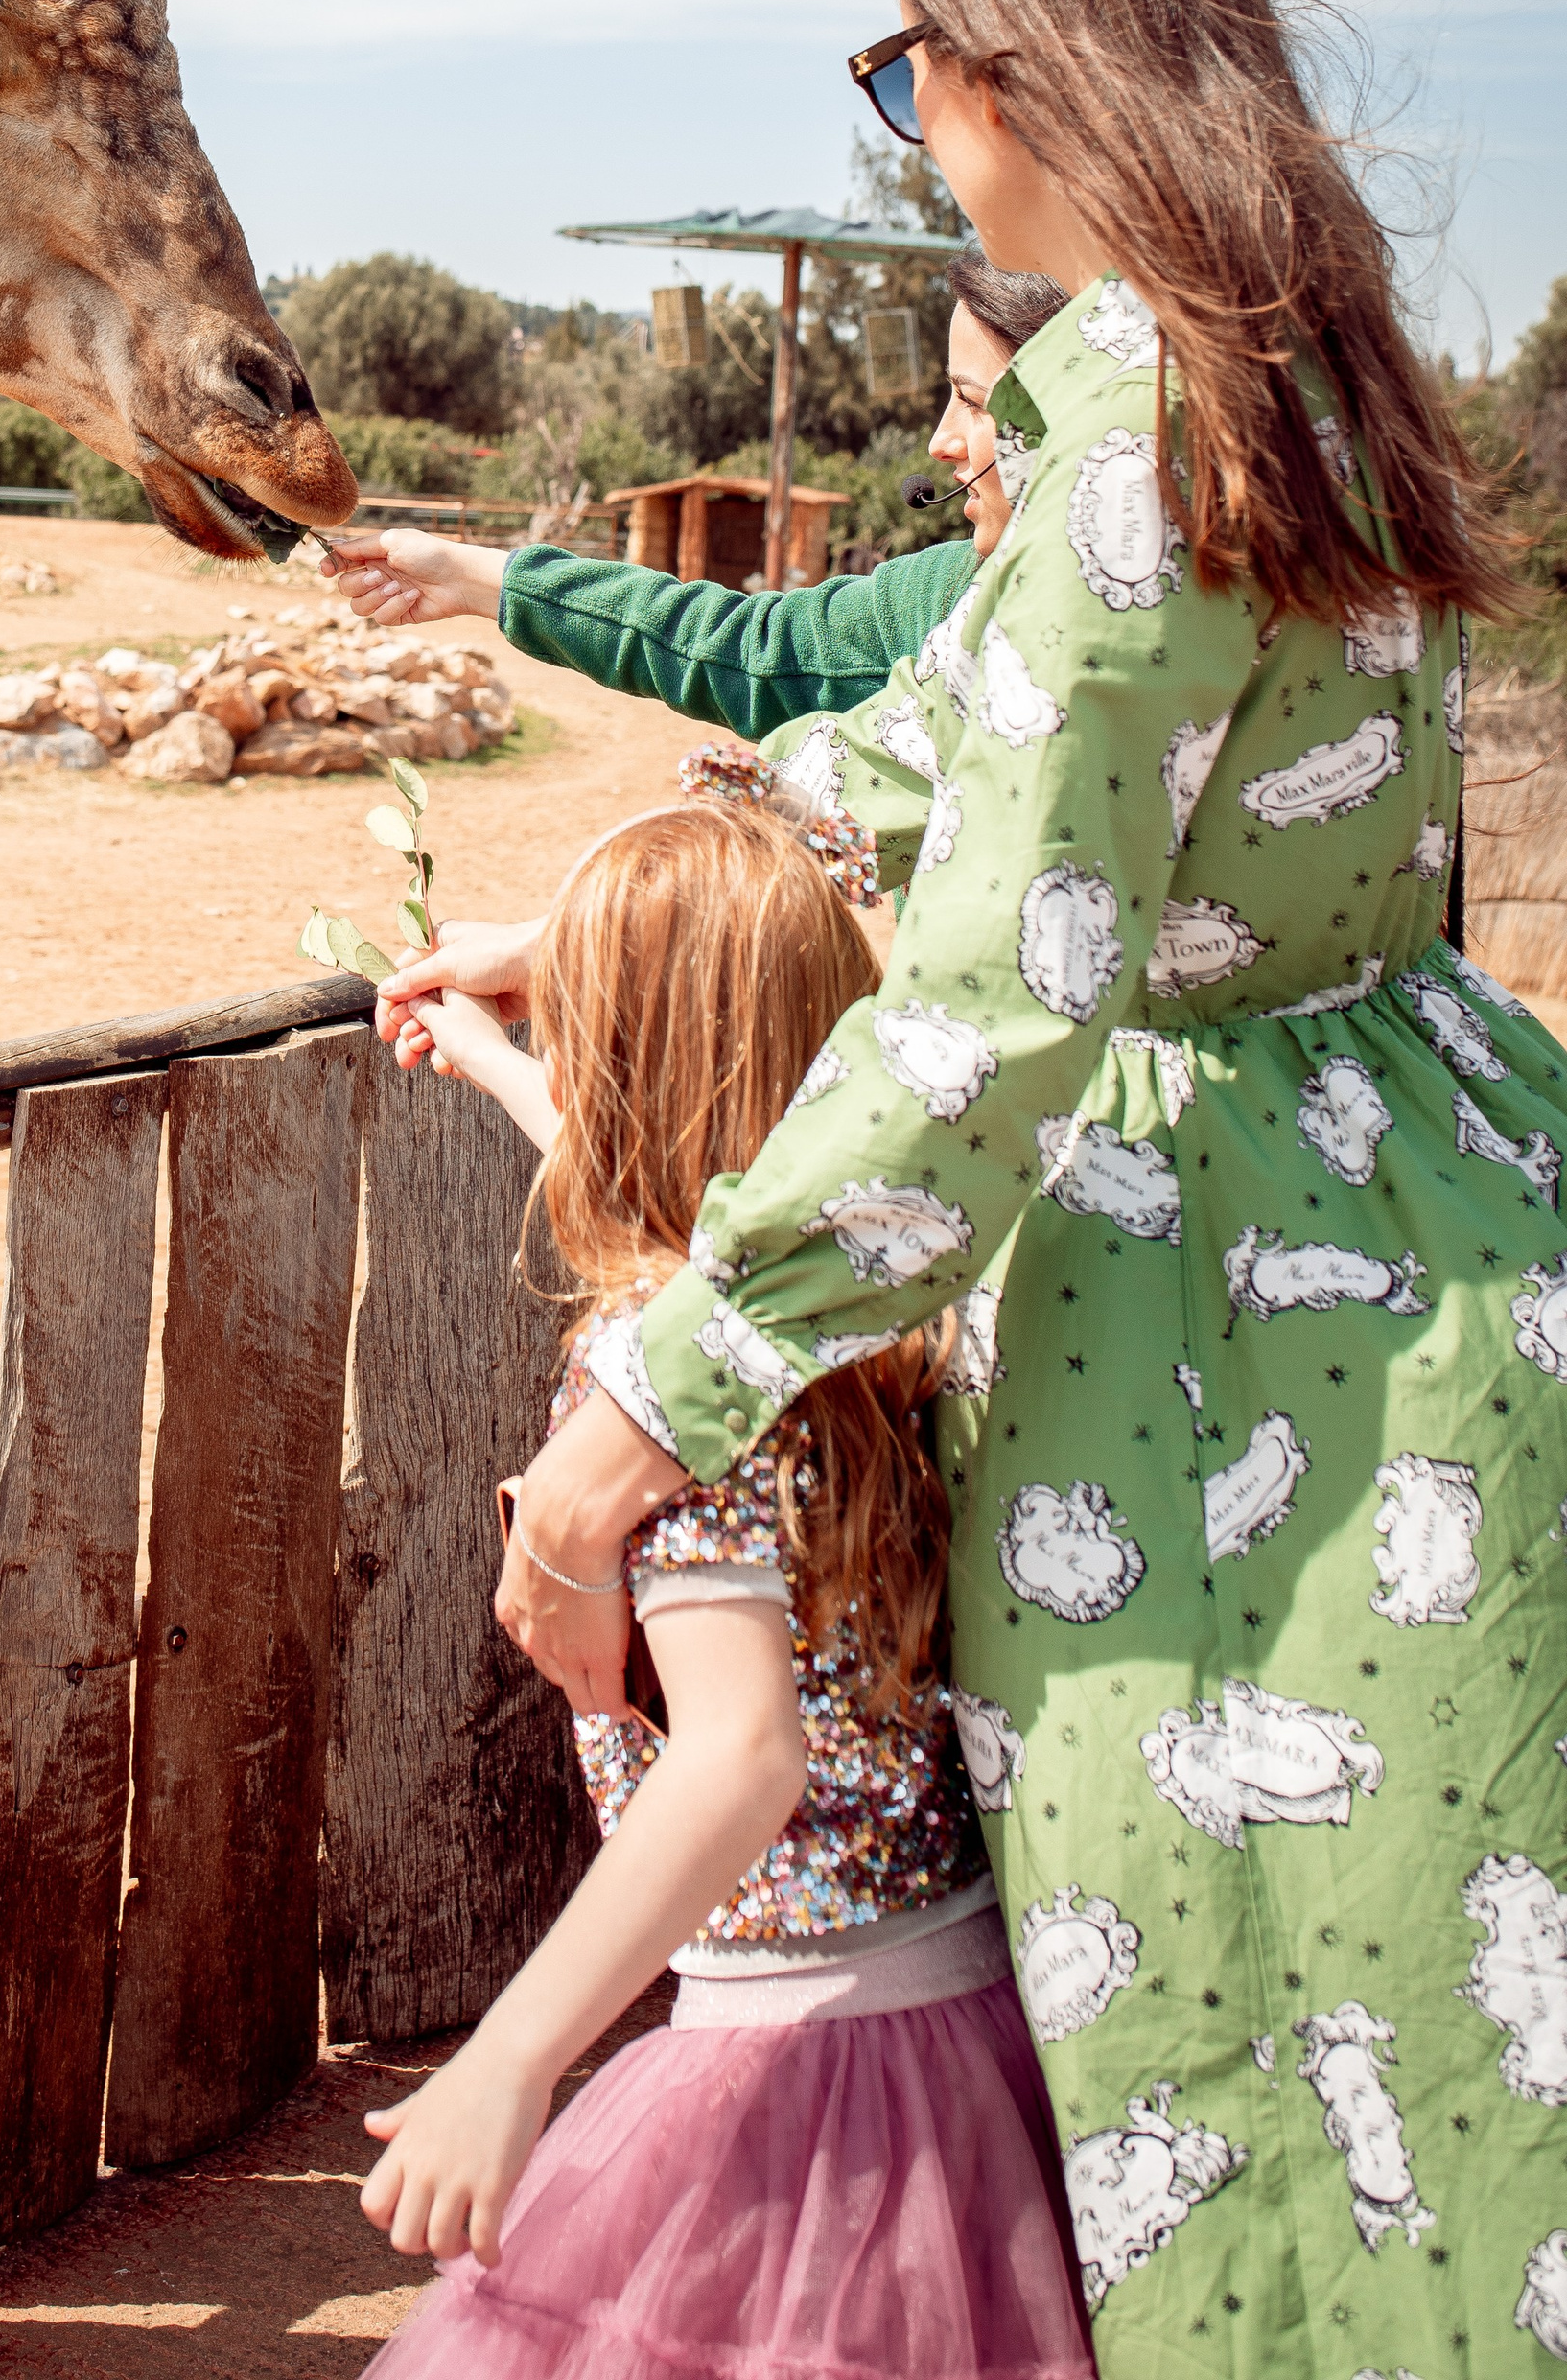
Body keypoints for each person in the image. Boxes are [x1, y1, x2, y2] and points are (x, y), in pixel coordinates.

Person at [382, 0, 1567, 2374]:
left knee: (1264, 2067)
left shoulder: (1131, 423)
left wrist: (635, 1424)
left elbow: (993, 1015)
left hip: (1232, 1351)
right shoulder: (1299, 372)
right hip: (1438, 1243)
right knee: (1453, 2064)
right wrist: (588, 938)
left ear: (1007, 66)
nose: (909, 122)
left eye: (899, 63)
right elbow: (963, 752)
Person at [356, 795, 1094, 2380]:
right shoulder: (874, 1300)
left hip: (794, 2068)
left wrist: (511, 2057)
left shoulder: (655, 1391)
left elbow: (740, 1758)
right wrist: (498, 1064)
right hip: (962, 2019)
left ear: (620, 1074)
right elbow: (716, 1236)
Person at [318, 247, 1068, 743]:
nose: (940, 440)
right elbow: (735, 645)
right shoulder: (942, 597)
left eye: (973, 401)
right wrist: (470, 574)